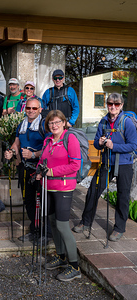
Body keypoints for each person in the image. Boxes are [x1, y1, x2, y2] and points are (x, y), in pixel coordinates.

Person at [73, 93, 137, 241]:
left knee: (123, 196)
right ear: (107, 105)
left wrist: (113, 146)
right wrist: (100, 142)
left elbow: (133, 146)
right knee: (93, 191)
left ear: (121, 106)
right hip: (107, 163)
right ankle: (86, 222)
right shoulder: (103, 121)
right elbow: (96, 142)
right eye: (110, 104)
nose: (112, 107)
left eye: (116, 104)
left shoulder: (126, 123)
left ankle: (119, 228)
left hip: (124, 164)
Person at [36, 110, 81, 282]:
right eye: (50, 123)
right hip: (48, 187)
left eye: (57, 122)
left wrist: (52, 171)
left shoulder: (70, 139)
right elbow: (42, 161)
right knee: (53, 223)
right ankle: (61, 257)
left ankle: (75, 266)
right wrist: (39, 172)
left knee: (62, 226)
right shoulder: (48, 140)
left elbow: (75, 165)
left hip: (63, 188)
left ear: (63, 123)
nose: (53, 126)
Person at [4, 97, 48, 242]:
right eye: (28, 108)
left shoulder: (44, 125)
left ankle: (45, 232)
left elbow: (50, 148)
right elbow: (16, 143)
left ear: (40, 109)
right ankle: (34, 230)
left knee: (41, 201)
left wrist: (34, 154)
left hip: (40, 169)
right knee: (28, 200)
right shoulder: (22, 124)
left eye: (34, 108)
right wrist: (11, 151)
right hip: (25, 168)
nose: (30, 111)